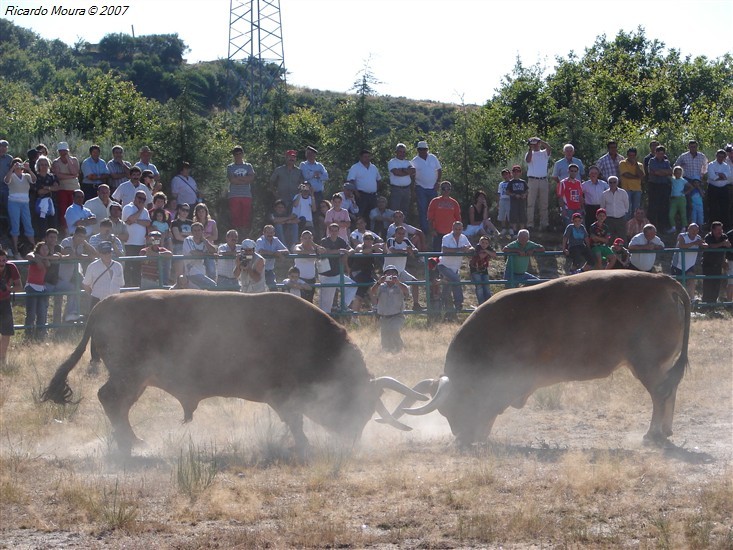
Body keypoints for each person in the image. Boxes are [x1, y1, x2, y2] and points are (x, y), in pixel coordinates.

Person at [318, 223, 358, 314]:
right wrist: (340, 251)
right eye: (332, 230)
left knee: (352, 285)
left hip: (337, 273)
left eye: (336, 230)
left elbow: (351, 249)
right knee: (325, 306)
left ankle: (343, 306)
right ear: (329, 230)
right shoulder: (325, 240)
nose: (334, 232)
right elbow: (326, 251)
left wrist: (347, 253)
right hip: (326, 275)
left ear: (338, 231)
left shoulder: (341, 240)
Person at [58, 227, 95, 322]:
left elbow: (95, 254)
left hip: (75, 273)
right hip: (62, 274)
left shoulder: (82, 244)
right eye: (79, 236)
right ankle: (59, 323)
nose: (81, 239)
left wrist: (85, 243)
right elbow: (71, 255)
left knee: (85, 290)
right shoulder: (66, 241)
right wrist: (83, 257)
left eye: (83, 237)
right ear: (74, 234)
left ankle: (75, 316)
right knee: (59, 300)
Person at [370, 265, 410, 352]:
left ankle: (399, 348)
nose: (390, 276)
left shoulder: (401, 286)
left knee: (394, 329)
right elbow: (372, 292)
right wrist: (378, 282)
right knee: (385, 337)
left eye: (393, 273)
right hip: (384, 316)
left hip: (397, 316)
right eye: (388, 273)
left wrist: (398, 283)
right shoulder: (380, 287)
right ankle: (388, 350)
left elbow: (406, 292)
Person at [4, 157, 37, 257]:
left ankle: (35, 248)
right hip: (13, 203)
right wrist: (12, 169)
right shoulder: (12, 175)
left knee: (28, 224)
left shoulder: (26, 176)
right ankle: (15, 250)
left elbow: (34, 180)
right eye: (16, 164)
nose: (18, 166)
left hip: (25, 203)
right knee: (15, 225)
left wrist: (29, 169)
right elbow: (6, 180)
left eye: (19, 164)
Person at [439, 221, 474, 316]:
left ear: (462, 229)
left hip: (455, 267)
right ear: (452, 228)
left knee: (447, 288)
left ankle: (442, 309)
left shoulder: (464, 238)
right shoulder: (446, 237)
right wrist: (461, 249)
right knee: (456, 280)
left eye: (460, 229)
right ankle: (458, 303)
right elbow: (445, 250)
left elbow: (471, 248)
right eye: (456, 229)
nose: (458, 231)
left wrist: (469, 250)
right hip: (444, 265)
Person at [386, 225, 423, 311]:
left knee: (415, 282)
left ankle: (416, 304)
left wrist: (411, 251)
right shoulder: (390, 240)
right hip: (388, 271)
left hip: (401, 270)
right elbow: (393, 250)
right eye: (399, 233)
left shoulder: (406, 241)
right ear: (395, 234)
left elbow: (415, 250)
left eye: (403, 234)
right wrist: (406, 251)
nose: (401, 235)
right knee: (388, 289)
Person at [121, 190, 152, 287]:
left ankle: (137, 288)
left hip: (141, 244)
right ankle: (127, 288)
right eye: (139, 198)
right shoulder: (128, 207)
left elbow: (148, 223)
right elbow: (129, 219)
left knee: (138, 268)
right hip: (128, 244)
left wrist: (135, 220)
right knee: (128, 267)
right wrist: (140, 210)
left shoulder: (145, 210)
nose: (141, 201)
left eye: (144, 199)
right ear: (135, 197)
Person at [82, 241, 124, 310]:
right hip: (98, 301)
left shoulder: (118, 266)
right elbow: (86, 285)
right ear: (100, 254)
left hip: (115, 301)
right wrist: (95, 296)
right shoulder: (93, 266)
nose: (107, 255)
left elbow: (121, 284)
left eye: (109, 252)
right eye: (104, 253)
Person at [412, 140, 442, 234]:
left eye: (424, 149)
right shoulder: (414, 161)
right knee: (423, 209)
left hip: (433, 187)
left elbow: (439, 170)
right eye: (421, 149)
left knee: (435, 209)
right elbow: (412, 175)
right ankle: (425, 230)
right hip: (421, 187)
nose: (423, 151)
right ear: (418, 150)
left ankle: (435, 228)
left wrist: (438, 182)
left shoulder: (433, 157)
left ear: (427, 149)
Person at [51, 141, 80, 232]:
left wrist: (68, 160)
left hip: (74, 188)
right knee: (63, 210)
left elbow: (74, 171)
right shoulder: (56, 162)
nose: (63, 153)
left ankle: (76, 228)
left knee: (75, 209)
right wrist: (71, 176)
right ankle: (66, 228)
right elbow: (58, 176)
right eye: (61, 151)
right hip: (63, 188)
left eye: (65, 151)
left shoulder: (74, 160)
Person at [349, 232, 382, 310]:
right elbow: (360, 252)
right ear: (363, 240)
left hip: (367, 273)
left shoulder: (373, 248)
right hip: (357, 272)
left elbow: (383, 252)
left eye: (371, 239)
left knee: (359, 295)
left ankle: (354, 314)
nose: (369, 240)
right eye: (366, 238)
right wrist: (373, 247)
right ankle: (376, 308)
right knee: (372, 286)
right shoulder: (360, 246)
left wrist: (382, 247)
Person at [227, 146, 256, 238]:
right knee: (235, 216)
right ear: (233, 155)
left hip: (246, 195)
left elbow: (251, 178)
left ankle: (244, 236)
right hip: (234, 195)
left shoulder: (248, 166)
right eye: (236, 154)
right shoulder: (230, 167)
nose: (238, 156)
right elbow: (232, 180)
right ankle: (235, 236)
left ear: (243, 154)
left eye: (240, 153)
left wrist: (238, 178)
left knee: (246, 216)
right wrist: (245, 179)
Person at [524, 136, 551, 230]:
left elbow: (549, 148)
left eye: (537, 144)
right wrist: (531, 147)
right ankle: (530, 224)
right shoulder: (529, 153)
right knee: (531, 203)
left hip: (543, 180)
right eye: (533, 144)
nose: (535, 145)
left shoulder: (544, 153)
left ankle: (544, 223)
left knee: (544, 204)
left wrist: (540, 141)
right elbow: (528, 160)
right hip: (532, 180)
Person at [24, 241, 50, 340]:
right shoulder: (34, 256)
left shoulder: (46, 259)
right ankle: (28, 335)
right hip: (32, 286)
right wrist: (37, 259)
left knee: (42, 312)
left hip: (41, 288)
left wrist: (42, 259)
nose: (45, 251)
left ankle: (40, 335)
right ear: (38, 249)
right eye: (43, 248)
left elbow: (49, 262)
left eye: (46, 249)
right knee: (31, 313)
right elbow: (29, 255)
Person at [0, 249, 22, 366]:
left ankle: (2, 359)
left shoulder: (11, 267)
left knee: (7, 332)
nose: (1, 263)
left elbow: (19, 286)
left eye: (3, 260)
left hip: (5, 301)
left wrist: (9, 289)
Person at [671, 223, 704, 298]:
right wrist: (694, 243)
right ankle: (676, 302)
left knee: (691, 281)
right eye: (692, 229)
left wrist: (704, 245)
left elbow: (704, 244)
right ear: (688, 229)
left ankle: (691, 300)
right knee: (677, 285)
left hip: (690, 265)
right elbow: (682, 246)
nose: (694, 231)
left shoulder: (698, 238)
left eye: (696, 230)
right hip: (678, 265)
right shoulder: (682, 236)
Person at [347, 149, 382, 219]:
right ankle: (358, 229)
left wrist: (376, 190)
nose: (367, 158)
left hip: (372, 196)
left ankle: (373, 229)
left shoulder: (373, 167)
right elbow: (351, 181)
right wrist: (356, 192)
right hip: (361, 195)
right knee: (360, 215)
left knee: (374, 215)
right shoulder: (355, 167)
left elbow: (378, 179)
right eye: (365, 157)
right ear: (360, 157)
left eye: (369, 156)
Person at [427, 181, 462, 251]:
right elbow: (430, 217)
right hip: (437, 233)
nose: (446, 190)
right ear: (440, 189)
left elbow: (458, 219)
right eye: (444, 188)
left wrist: (458, 232)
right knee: (436, 254)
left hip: (451, 233)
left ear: (450, 190)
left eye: (448, 189)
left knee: (450, 252)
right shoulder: (435, 201)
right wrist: (432, 230)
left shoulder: (454, 203)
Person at [701, 221, 730, 304]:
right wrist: (722, 243)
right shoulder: (708, 236)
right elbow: (710, 246)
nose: (720, 231)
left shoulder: (724, 236)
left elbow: (727, 246)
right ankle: (705, 305)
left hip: (718, 264)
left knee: (716, 285)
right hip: (708, 264)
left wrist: (727, 245)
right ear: (712, 230)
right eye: (718, 230)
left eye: (721, 229)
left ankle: (713, 305)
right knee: (708, 285)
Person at [183, 222, 218, 290]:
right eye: (195, 231)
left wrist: (205, 240)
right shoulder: (188, 240)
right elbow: (194, 253)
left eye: (199, 230)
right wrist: (207, 254)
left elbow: (213, 250)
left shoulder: (204, 242)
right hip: (191, 273)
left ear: (202, 231)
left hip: (202, 272)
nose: (197, 232)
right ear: (192, 232)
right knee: (213, 286)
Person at [292, 230, 324, 303]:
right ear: (301, 239)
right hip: (300, 279)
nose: (307, 240)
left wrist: (313, 245)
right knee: (300, 301)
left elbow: (323, 250)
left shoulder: (314, 248)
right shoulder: (298, 246)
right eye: (305, 238)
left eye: (309, 238)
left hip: (311, 279)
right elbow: (297, 251)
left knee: (309, 301)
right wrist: (313, 252)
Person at [646, 145, 673, 231]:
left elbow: (670, 172)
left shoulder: (666, 162)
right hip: (654, 185)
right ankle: (652, 227)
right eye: (659, 153)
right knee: (653, 207)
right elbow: (655, 172)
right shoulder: (652, 161)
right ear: (656, 153)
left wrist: (661, 171)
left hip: (664, 186)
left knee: (664, 206)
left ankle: (663, 227)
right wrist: (664, 172)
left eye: (662, 153)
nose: (660, 155)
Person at [255, 224, 289, 290]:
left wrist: (279, 252)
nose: (269, 234)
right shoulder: (260, 240)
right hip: (258, 270)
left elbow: (286, 250)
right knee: (258, 290)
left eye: (271, 232)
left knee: (274, 289)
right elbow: (261, 251)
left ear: (274, 233)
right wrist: (275, 253)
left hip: (269, 270)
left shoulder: (275, 240)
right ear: (263, 233)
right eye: (267, 232)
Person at [32, 155, 58, 238]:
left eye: (46, 164)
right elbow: (39, 191)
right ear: (38, 166)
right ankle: (42, 242)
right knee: (42, 224)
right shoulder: (36, 177)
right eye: (42, 164)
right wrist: (51, 188)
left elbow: (57, 188)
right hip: (40, 204)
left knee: (53, 224)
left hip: (52, 203)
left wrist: (46, 187)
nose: (44, 166)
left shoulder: (52, 176)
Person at [706, 150, 732, 230]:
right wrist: (721, 176)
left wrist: (718, 175)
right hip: (713, 188)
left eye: (722, 157)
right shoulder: (711, 165)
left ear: (724, 158)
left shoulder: (726, 166)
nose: (720, 158)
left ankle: (725, 226)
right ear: (716, 156)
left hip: (723, 189)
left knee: (725, 207)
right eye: (719, 156)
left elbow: (728, 176)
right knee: (713, 208)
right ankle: (712, 226)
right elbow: (712, 177)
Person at [387, 143, 415, 214]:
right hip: (396, 189)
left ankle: (403, 224)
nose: (402, 153)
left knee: (405, 210)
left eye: (403, 152)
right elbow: (396, 173)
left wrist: (402, 170)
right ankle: (393, 225)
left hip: (407, 189)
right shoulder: (392, 162)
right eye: (400, 151)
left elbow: (413, 171)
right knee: (394, 210)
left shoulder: (408, 162)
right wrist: (406, 171)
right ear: (396, 152)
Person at [469, 235, 497, 305]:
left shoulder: (488, 248)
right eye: (482, 242)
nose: (484, 244)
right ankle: (481, 304)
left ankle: (488, 304)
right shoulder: (477, 247)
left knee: (486, 286)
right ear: (479, 242)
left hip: (484, 269)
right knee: (479, 287)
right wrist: (487, 252)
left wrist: (485, 251)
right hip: (475, 270)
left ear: (488, 244)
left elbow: (494, 254)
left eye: (486, 243)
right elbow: (481, 256)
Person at [618, 147, 645, 217]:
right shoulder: (622, 163)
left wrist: (636, 166)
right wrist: (637, 177)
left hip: (637, 189)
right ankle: (626, 225)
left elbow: (642, 176)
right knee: (627, 209)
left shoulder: (640, 165)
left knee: (636, 209)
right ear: (627, 155)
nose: (631, 157)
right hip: (626, 189)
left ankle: (635, 225)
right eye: (630, 155)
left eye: (633, 156)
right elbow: (626, 174)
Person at [194, 203, 218, 279]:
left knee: (211, 270)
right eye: (199, 212)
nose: (201, 213)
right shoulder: (195, 224)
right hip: (198, 248)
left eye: (202, 211)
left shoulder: (212, 223)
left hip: (209, 248)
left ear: (206, 212)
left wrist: (205, 238)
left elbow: (215, 236)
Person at [600, 176, 629, 240]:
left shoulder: (623, 192)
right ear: (608, 183)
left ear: (617, 183)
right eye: (610, 182)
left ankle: (623, 250)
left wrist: (623, 214)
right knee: (609, 238)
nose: (612, 184)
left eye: (614, 182)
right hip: (609, 219)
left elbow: (626, 205)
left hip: (621, 218)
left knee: (622, 237)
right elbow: (602, 207)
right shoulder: (604, 194)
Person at [556, 163, 584, 227]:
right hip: (568, 209)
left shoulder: (578, 183)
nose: (573, 173)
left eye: (575, 171)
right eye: (571, 171)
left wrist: (582, 208)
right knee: (569, 227)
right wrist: (563, 209)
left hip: (577, 208)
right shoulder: (563, 183)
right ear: (568, 171)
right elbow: (560, 197)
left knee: (579, 227)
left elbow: (580, 196)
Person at [668, 166, 690, 234]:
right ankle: (673, 227)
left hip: (681, 199)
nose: (678, 174)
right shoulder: (672, 179)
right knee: (671, 214)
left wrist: (685, 192)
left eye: (680, 173)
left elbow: (691, 187)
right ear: (674, 173)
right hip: (673, 199)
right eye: (677, 173)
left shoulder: (683, 180)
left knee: (683, 214)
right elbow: (667, 176)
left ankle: (684, 228)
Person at [507, 165, 529, 234]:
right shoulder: (511, 182)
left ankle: (522, 231)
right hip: (514, 202)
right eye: (514, 171)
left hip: (522, 201)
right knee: (514, 215)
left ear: (520, 173)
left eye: (518, 171)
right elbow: (507, 191)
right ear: (512, 173)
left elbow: (527, 190)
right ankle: (514, 230)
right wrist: (514, 195)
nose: (516, 173)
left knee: (522, 215)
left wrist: (524, 195)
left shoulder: (523, 182)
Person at [496, 169, 512, 236]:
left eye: (506, 174)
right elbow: (499, 193)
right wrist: (498, 202)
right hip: (502, 199)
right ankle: (504, 228)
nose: (505, 176)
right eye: (504, 175)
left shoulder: (511, 182)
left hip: (509, 199)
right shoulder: (501, 184)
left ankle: (511, 228)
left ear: (509, 174)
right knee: (502, 215)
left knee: (509, 214)